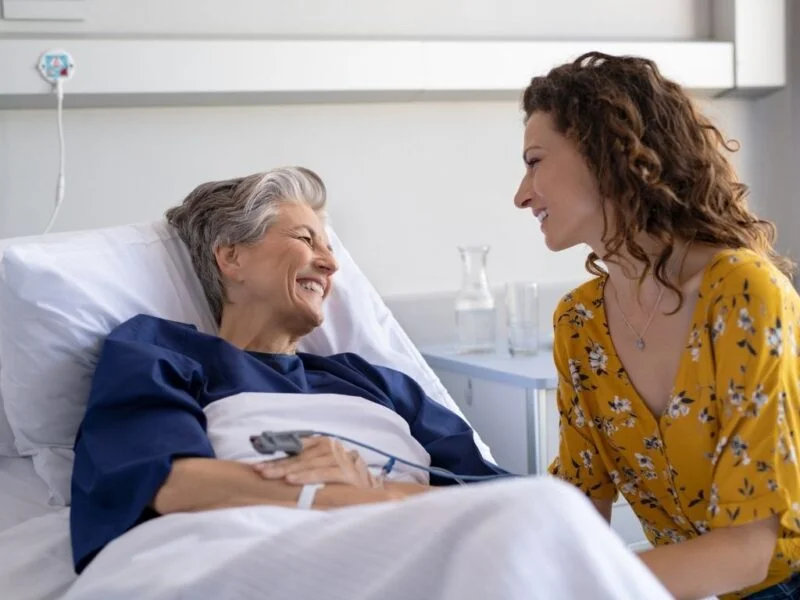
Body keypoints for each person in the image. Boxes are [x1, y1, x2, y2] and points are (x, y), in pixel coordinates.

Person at [69, 166, 506, 575]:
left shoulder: (376, 383)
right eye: (306, 239)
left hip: (428, 551)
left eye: (329, 248)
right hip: (269, 555)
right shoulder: (162, 352)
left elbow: (500, 498)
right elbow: (168, 483)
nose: (331, 264)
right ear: (232, 258)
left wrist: (377, 492)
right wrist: (350, 498)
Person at [514, 51, 800, 600]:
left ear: (604, 150)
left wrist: (572, 585)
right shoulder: (580, 324)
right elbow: (580, 509)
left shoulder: (743, 293)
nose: (522, 195)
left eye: (534, 161)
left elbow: (747, 554)